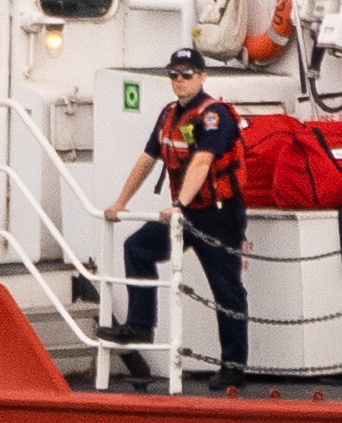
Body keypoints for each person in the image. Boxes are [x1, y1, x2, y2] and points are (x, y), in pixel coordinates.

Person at [100, 45, 251, 388]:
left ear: (202, 77)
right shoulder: (170, 114)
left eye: (186, 75)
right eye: (173, 75)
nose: (179, 81)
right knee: (137, 247)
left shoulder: (214, 116)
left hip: (217, 215)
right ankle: (139, 325)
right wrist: (120, 202)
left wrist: (180, 204)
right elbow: (147, 159)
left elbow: (202, 161)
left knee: (226, 287)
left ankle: (234, 365)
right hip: (183, 214)